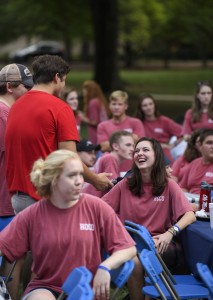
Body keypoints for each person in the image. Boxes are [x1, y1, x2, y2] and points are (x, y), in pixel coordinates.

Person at [0, 150, 136, 300]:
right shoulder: (33, 214)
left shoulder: (96, 206)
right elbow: (3, 246)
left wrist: (106, 267)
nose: (79, 181)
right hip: (46, 287)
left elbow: (128, 248)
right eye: (72, 175)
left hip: (87, 291)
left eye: (80, 174)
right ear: (54, 179)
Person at [5, 55, 113, 214]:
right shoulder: (60, 108)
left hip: (17, 198)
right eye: (64, 80)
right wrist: (96, 180)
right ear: (57, 77)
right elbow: (70, 158)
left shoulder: (15, 106)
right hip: (44, 197)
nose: (64, 86)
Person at [102, 137, 196, 300]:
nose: (139, 153)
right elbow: (101, 208)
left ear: (157, 155)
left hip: (159, 241)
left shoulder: (168, 184)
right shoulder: (126, 184)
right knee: (136, 260)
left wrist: (170, 233)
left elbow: (190, 215)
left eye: (145, 150)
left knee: (146, 257)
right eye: (137, 151)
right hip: (129, 244)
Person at [0, 63, 34, 300]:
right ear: (10, 87)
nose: (30, 92)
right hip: (4, 202)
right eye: (26, 87)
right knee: (13, 261)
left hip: (9, 199)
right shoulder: (4, 116)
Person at [83, 131, 135, 197]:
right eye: (128, 145)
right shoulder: (110, 158)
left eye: (133, 146)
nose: (132, 149)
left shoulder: (107, 156)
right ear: (115, 146)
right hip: (93, 200)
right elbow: (114, 187)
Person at [136, 93, 183, 162]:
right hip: (145, 153)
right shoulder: (138, 122)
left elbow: (184, 132)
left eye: (150, 104)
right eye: (145, 105)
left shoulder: (164, 120)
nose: (148, 107)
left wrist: (172, 145)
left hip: (163, 153)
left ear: (154, 105)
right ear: (141, 108)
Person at [179, 129, 213, 195]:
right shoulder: (194, 163)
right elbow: (183, 187)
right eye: (209, 143)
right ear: (200, 146)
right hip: (190, 201)